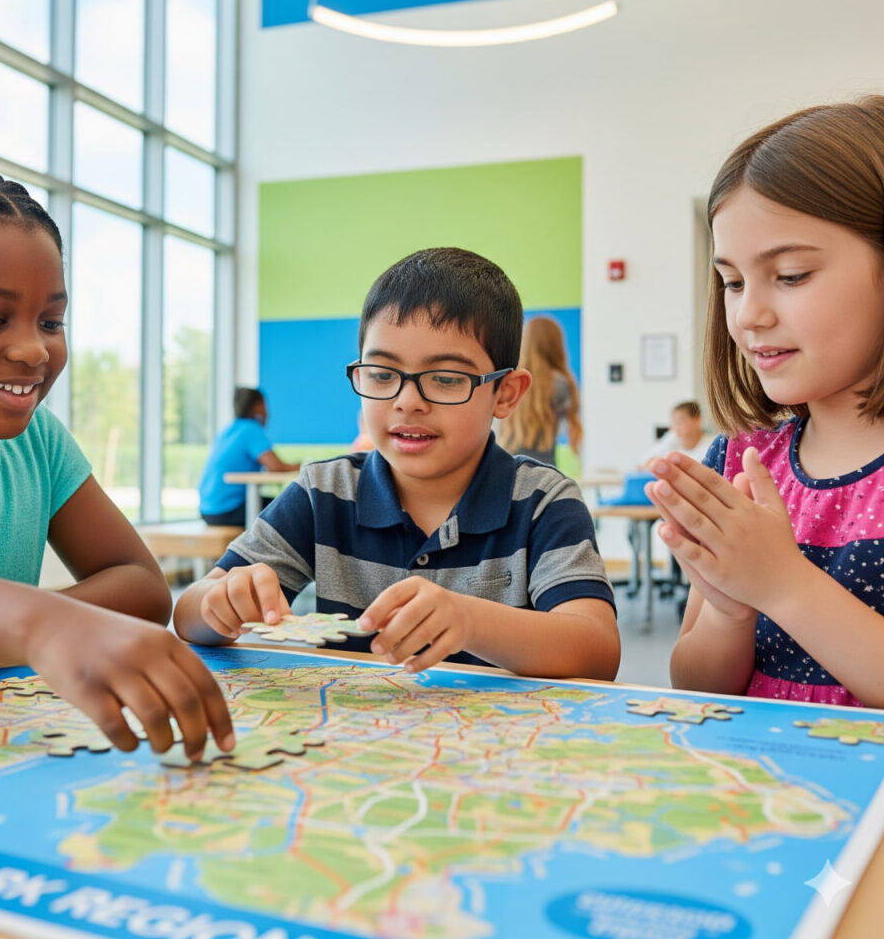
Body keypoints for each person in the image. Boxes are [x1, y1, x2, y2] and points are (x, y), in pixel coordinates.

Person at [0, 164, 233, 758]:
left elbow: (142, 585)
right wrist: (36, 627)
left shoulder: (38, 444)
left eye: (52, 321)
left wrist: (2, 634)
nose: (34, 349)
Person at [174, 247, 620, 679]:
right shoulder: (325, 491)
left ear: (505, 393)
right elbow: (189, 613)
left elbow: (597, 649)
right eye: (383, 375)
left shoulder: (543, 501)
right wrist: (220, 602)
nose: (408, 402)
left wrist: (471, 620)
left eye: (446, 379)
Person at [646, 95, 884, 708]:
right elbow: (696, 686)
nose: (749, 313)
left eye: (792, 275)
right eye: (732, 282)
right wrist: (728, 612)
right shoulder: (745, 459)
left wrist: (782, 585)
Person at [197, 387, 300, 526]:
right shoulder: (251, 429)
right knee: (295, 508)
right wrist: (304, 465)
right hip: (228, 510)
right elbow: (275, 467)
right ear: (257, 407)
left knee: (277, 504)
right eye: (264, 405)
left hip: (207, 510)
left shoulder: (228, 431)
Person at [496, 315, 582, 467]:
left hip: (508, 463)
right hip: (545, 469)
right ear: (555, 345)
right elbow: (573, 429)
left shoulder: (510, 381)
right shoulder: (562, 384)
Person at [637, 400, 713, 468]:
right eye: (674, 422)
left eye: (680, 421)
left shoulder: (711, 445)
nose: (676, 427)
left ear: (697, 420)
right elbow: (642, 464)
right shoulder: (672, 439)